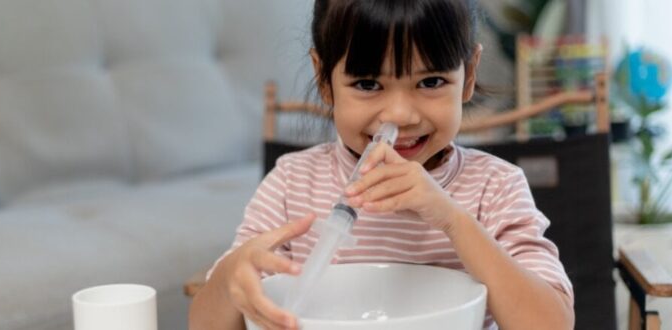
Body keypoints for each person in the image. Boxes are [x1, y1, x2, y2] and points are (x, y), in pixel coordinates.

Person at [189, 0, 574, 329]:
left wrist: (453, 221)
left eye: (431, 82)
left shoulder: (494, 187)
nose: (400, 114)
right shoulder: (292, 183)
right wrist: (230, 282)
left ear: (469, 74)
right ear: (325, 79)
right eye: (369, 85)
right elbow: (203, 323)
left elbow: (552, 322)